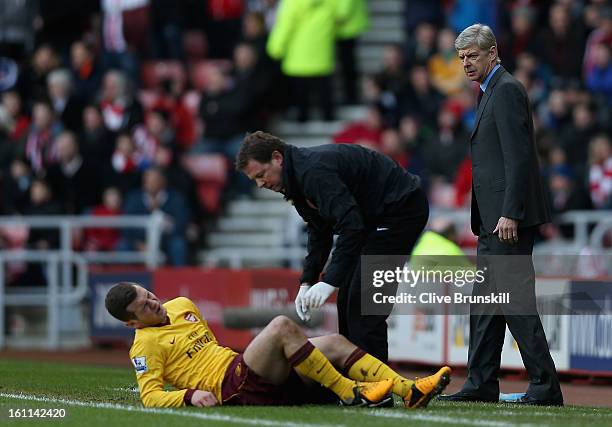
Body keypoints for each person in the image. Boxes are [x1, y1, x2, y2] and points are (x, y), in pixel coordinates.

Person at [438, 23, 563, 406]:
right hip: (493, 220)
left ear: (492, 53)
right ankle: (481, 383)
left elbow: (519, 156)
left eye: (472, 55)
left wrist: (510, 212)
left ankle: (545, 386)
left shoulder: (506, 90)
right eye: (461, 58)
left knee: (512, 301)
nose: (466, 63)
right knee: (486, 306)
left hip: (506, 220)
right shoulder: (491, 90)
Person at [236, 131, 429, 362]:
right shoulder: (297, 178)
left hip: (400, 211)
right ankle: (358, 381)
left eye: (261, 175)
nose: (260, 184)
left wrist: (329, 280)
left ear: (277, 158)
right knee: (348, 299)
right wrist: (307, 280)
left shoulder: (311, 172)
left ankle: (378, 389)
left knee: (364, 304)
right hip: (376, 216)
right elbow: (319, 231)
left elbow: (351, 226)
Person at [105, 282, 451, 408]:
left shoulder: (182, 305)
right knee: (282, 326)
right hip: (231, 386)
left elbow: (207, 347)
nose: (155, 303)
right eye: (145, 306)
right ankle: (350, 392)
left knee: (332, 341)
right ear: (131, 323)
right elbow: (150, 397)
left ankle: (409, 390)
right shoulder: (144, 347)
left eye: (149, 294)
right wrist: (189, 395)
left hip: (241, 368)